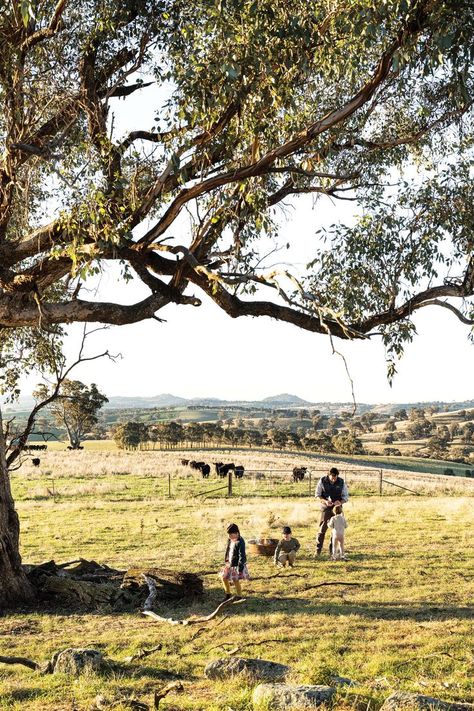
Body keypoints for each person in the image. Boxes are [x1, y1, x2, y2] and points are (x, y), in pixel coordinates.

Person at [314, 467, 349, 557]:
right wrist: (325, 501)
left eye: (335, 477)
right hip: (325, 508)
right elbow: (317, 495)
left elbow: (345, 497)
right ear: (328, 475)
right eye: (332, 477)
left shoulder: (341, 482)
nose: (334, 479)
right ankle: (318, 550)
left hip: (337, 509)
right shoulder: (322, 481)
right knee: (322, 529)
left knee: (336, 530)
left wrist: (340, 502)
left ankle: (332, 551)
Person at [218, 522, 249, 601]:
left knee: (235, 580)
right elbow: (228, 550)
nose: (229, 537)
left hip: (237, 564)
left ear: (237, 533)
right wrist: (226, 559)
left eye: (231, 535)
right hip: (229, 562)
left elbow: (242, 556)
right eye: (228, 535)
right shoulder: (230, 539)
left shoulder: (240, 542)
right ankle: (228, 594)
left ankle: (239, 596)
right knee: (223, 577)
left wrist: (240, 568)